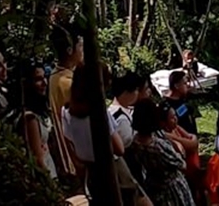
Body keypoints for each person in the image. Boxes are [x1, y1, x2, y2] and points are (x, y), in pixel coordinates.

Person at [61, 62, 143, 204]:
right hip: (112, 169)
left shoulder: (67, 111)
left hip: (90, 172)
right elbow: (119, 148)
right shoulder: (99, 114)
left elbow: (68, 140)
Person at [125, 100, 194, 206]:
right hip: (172, 189)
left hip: (152, 186)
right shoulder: (158, 146)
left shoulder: (135, 142)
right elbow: (181, 163)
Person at [7, 60, 57, 178]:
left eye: (45, 77)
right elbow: (38, 159)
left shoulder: (39, 112)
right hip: (46, 177)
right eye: (38, 79)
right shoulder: (29, 118)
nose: (44, 82)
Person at [49, 24, 84, 178]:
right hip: (74, 155)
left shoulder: (52, 77)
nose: (83, 51)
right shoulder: (68, 83)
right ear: (70, 50)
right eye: (81, 46)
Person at [109, 72, 148, 147]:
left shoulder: (111, 110)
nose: (137, 93)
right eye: (136, 89)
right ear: (126, 92)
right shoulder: (122, 119)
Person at [164, 70, 199, 136]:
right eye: (185, 83)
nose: (188, 86)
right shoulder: (167, 106)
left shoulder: (184, 99)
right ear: (176, 86)